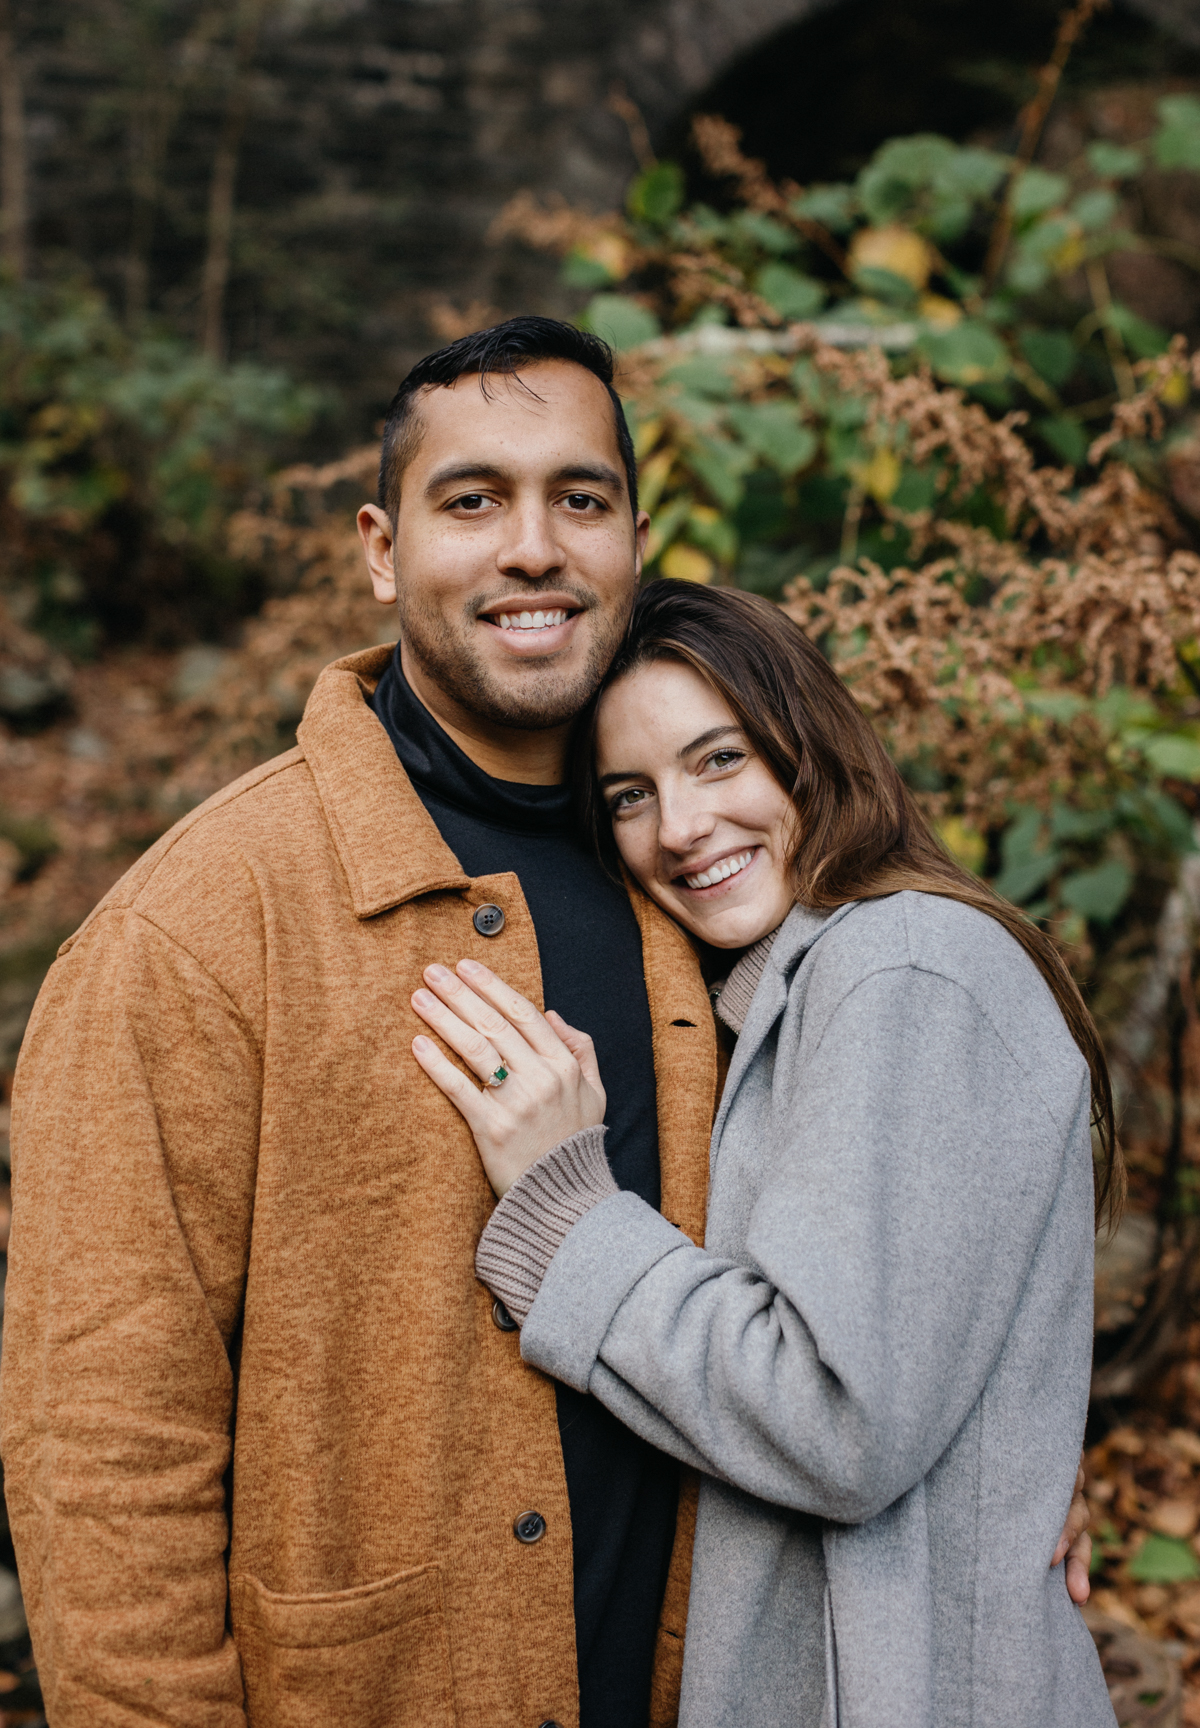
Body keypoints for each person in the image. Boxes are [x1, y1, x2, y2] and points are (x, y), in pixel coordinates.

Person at [0, 320, 1091, 1728]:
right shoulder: (196, 932)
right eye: (474, 501)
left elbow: (880, 1259)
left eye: (579, 498)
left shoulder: (699, 882)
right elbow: (106, 1445)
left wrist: (993, 1472)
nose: (533, 546)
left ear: (633, 537)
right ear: (383, 552)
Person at [409, 578, 1119, 1728]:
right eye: (630, 794)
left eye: (719, 759)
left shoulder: (900, 967)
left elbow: (838, 1419)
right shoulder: (783, 991)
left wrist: (570, 1216)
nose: (680, 828)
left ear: (809, 748)